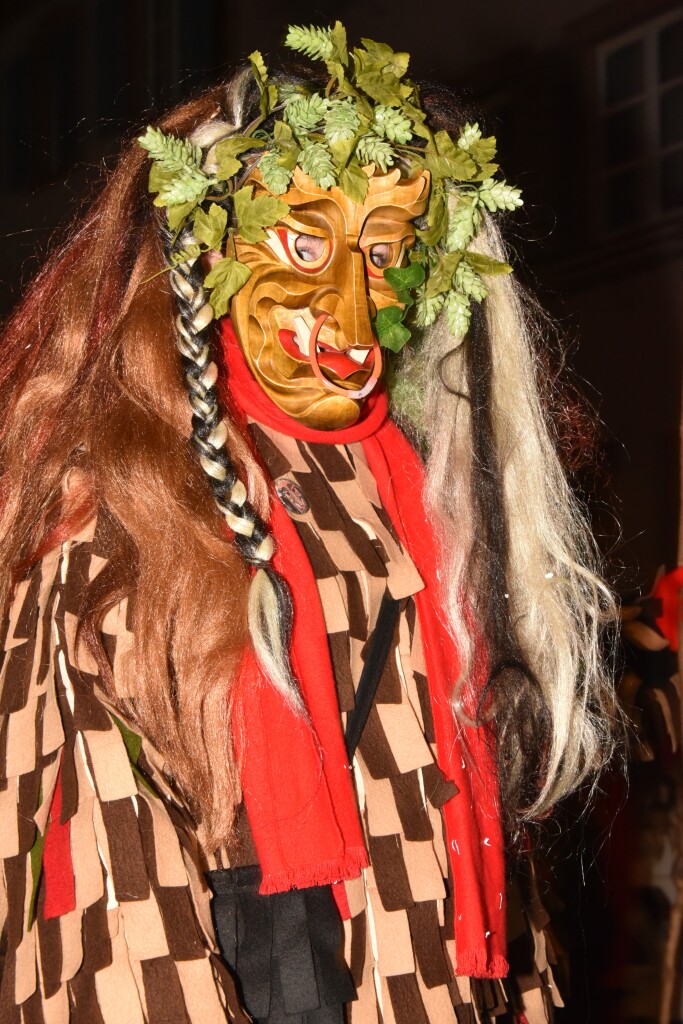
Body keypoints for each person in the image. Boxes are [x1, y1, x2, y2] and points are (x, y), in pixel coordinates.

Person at [0, 23, 616, 1024]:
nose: (345, 306)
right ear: (208, 248)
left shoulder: (434, 496)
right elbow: (95, 878)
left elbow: (480, 841)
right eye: (299, 242)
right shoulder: (117, 500)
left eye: (382, 253)